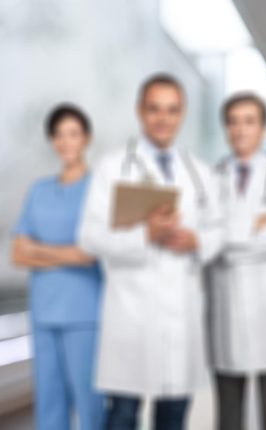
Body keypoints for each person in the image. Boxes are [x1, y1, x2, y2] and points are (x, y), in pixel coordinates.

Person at [78, 73, 222, 430]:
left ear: (182, 114)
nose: (163, 118)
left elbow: (218, 231)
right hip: (130, 315)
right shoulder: (112, 168)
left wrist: (197, 241)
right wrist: (146, 235)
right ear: (140, 112)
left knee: (173, 418)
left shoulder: (199, 173)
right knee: (123, 415)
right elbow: (89, 237)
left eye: (171, 110)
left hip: (181, 317)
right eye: (154, 109)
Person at [208, 93, 266, 430]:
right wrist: (253, 226)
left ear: (262, 128)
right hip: (226, 310)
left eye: (248, 121)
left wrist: (227, 234)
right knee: (228, 412)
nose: (240, 129)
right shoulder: (212, 177)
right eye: (233, 121)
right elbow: (206, 238)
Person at [11, 104, 104, 430]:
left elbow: (90, 254)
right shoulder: (39, 191)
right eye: (60, 135)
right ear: (52, 140)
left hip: (85, 313)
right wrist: (66, 252)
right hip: (44, 313)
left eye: (73, 134)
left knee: (89, 404)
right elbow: (17, 254)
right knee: (49, 404)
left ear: (86, 138)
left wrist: (39, 249)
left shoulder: (98, 190)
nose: (66, 142)